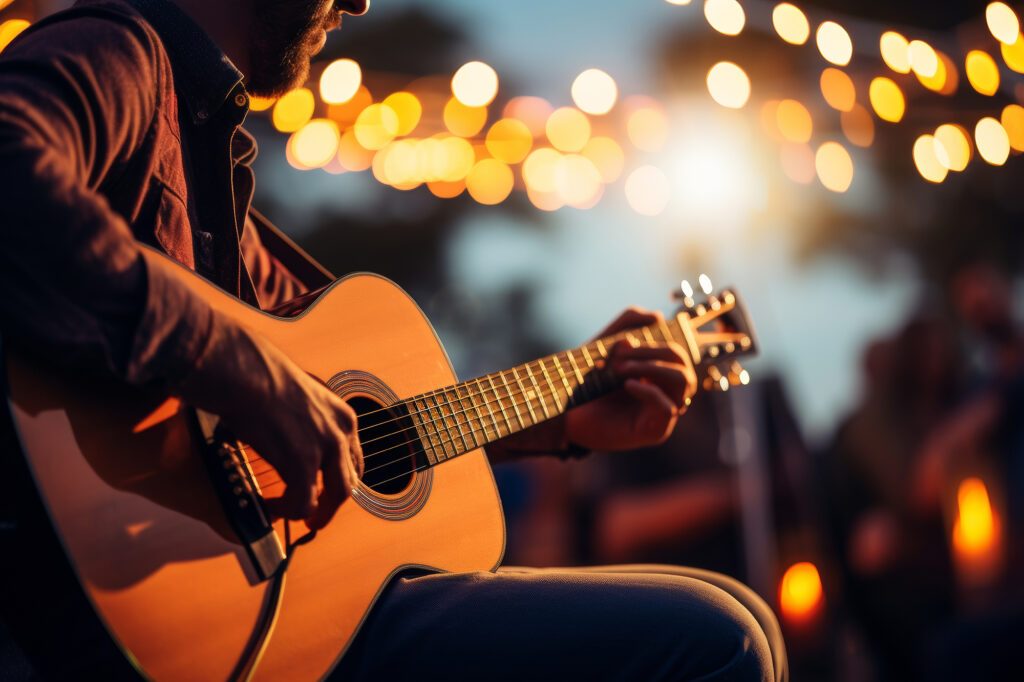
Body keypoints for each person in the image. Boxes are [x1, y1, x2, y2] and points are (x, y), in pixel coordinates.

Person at [0, 1, 786, 679]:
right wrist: (243, 370)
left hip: (249, 619)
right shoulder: (118, 50)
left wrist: (563, 416)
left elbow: (356, 422)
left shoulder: (209, 155)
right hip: (92, 610)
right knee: (718, 640)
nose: (360, 5)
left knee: (741, 615)